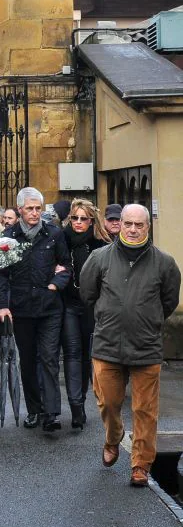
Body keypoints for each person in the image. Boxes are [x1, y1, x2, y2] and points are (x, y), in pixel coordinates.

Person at [80, 204, 181, 487]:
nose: (133, 230)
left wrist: (147, 321)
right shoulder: (99, 258)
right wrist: (109, 316)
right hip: (107, 345)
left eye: (140, 225)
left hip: (146, 347)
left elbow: (169, 301)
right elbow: (88, 294)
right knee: (108, 403)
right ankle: (113, 437)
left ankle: (141, 464)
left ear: (148, 227)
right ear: (119, 225)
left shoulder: (165, 263)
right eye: (128, 224)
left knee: (145, 410)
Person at [0, 187, 71, 432]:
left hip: (49, 307)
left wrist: (53, 286)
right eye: (30, 208)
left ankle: (51, 413)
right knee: (27, 361)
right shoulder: (8, 237)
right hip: (21, 308)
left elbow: (66, 265)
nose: (35, 213)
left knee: (49, 358)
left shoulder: (54, 234)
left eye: (38, 208)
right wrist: (2, 305)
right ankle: (34, 410)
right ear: (20, 210)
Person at [60, 199, 111, 430]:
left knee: (87, 355)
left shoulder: (100, 245)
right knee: (72, 353)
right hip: (69, 304)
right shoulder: (61, 240)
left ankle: (81, 399)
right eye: (75, 218)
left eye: (83, 219)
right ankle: (76, 407)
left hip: (92, 306)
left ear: (91, 221)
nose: (78, 223)